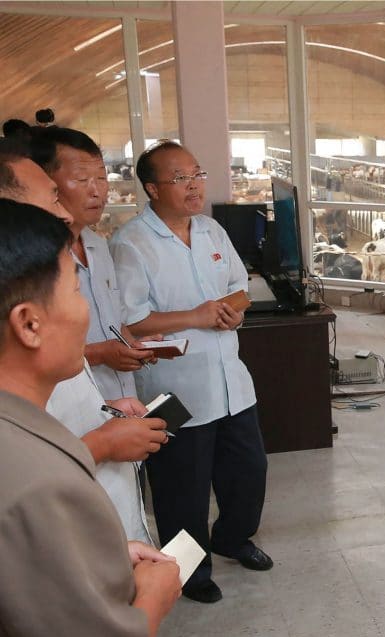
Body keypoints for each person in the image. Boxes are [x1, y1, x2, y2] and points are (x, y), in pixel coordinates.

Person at [0, 198, 180, 637]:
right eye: (75, 292)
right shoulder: (39, 482)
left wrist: (101, 561)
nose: (86, 314)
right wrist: (153, 597)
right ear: (29, 324)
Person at [110, 140, 271, 604]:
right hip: (172, 389)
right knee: (182, 488)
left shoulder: (211, 230)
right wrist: (196, 317)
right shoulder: (131, 243)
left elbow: (239, 285)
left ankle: (232, 537)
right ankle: (189, 572)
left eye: (197, 174)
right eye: (180, 178)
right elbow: (130, 320)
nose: (195, 185)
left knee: (249, 471)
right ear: (152, 188)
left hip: (230, 382)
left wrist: (234, 312)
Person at [0, 139, 168, 542]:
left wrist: (102, 413)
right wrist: (101, 443)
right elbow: (22, 481)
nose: (62, 212)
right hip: (68, 541)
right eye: (53, 197)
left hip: (102, 520)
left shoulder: (91, 246)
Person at [30, 126, 154, 399]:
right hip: (69, 405)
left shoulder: (98, 245)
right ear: (45, 184)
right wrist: (99, 354)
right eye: (82, 179)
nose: (97, 191)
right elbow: (23, 355)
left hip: (122, 400)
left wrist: (133, 346)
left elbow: (114, 320)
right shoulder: (31, 259)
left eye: (101, 177)